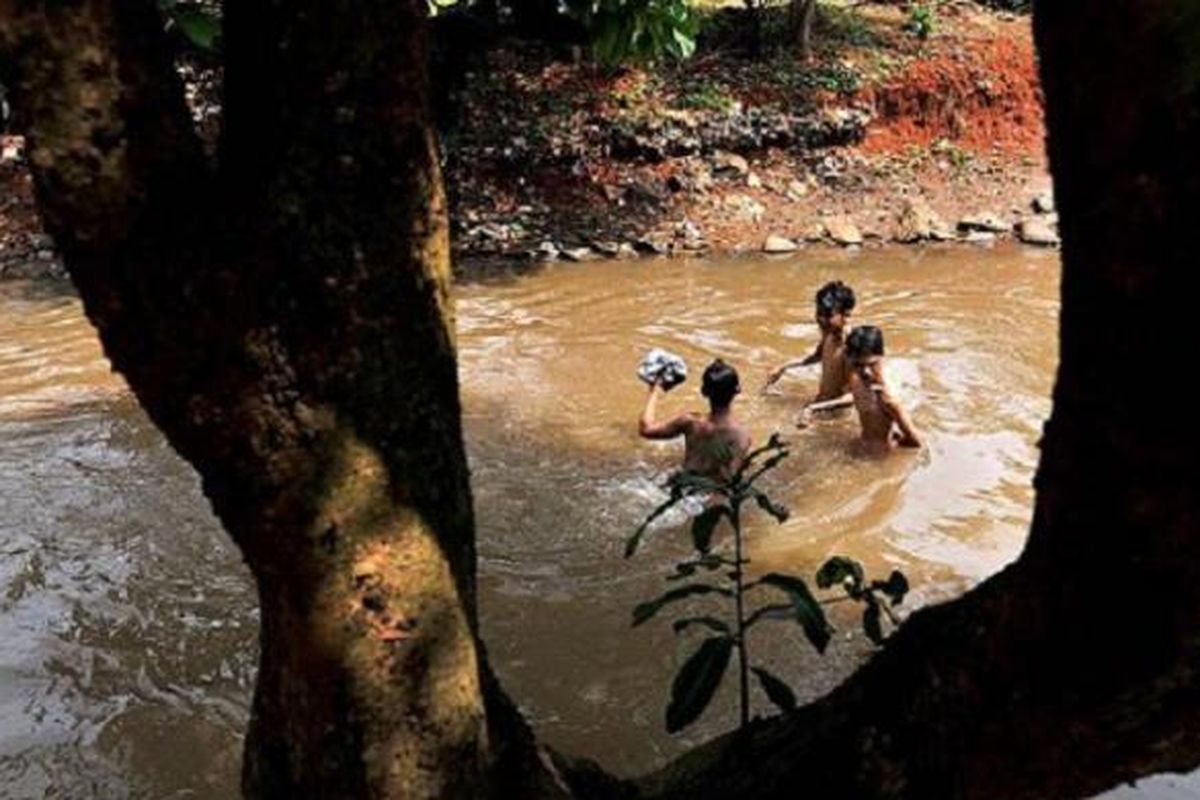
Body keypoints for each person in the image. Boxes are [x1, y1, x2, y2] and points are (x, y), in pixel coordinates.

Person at [806, 325, 921, 452]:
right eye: (858, 365)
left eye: (872, 364)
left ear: (882, 356)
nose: (865, 371)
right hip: (860, 445)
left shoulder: (887, 398)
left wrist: (889, 447)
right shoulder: (856, 379)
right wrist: (815, 408)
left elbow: (916, 442)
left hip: (879, 458)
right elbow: (855, 397)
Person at [639, 359, 751, 480]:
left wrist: (655, 391)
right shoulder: (741, 436)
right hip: (706, 493)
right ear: (737, 390)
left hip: (682, 486)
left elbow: (646, 429)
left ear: (704, 391)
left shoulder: (690, 422)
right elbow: (729, 478)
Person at [762, 280, 857, 419]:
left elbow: (852, 397)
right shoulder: (830, 334)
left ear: (846, 315)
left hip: (835, 416)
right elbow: (817, 356)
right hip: (820, 406)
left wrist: (813, 409)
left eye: (827, 315)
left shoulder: (850, 345)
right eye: (819, 312)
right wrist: (784, 367)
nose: (820, 319)